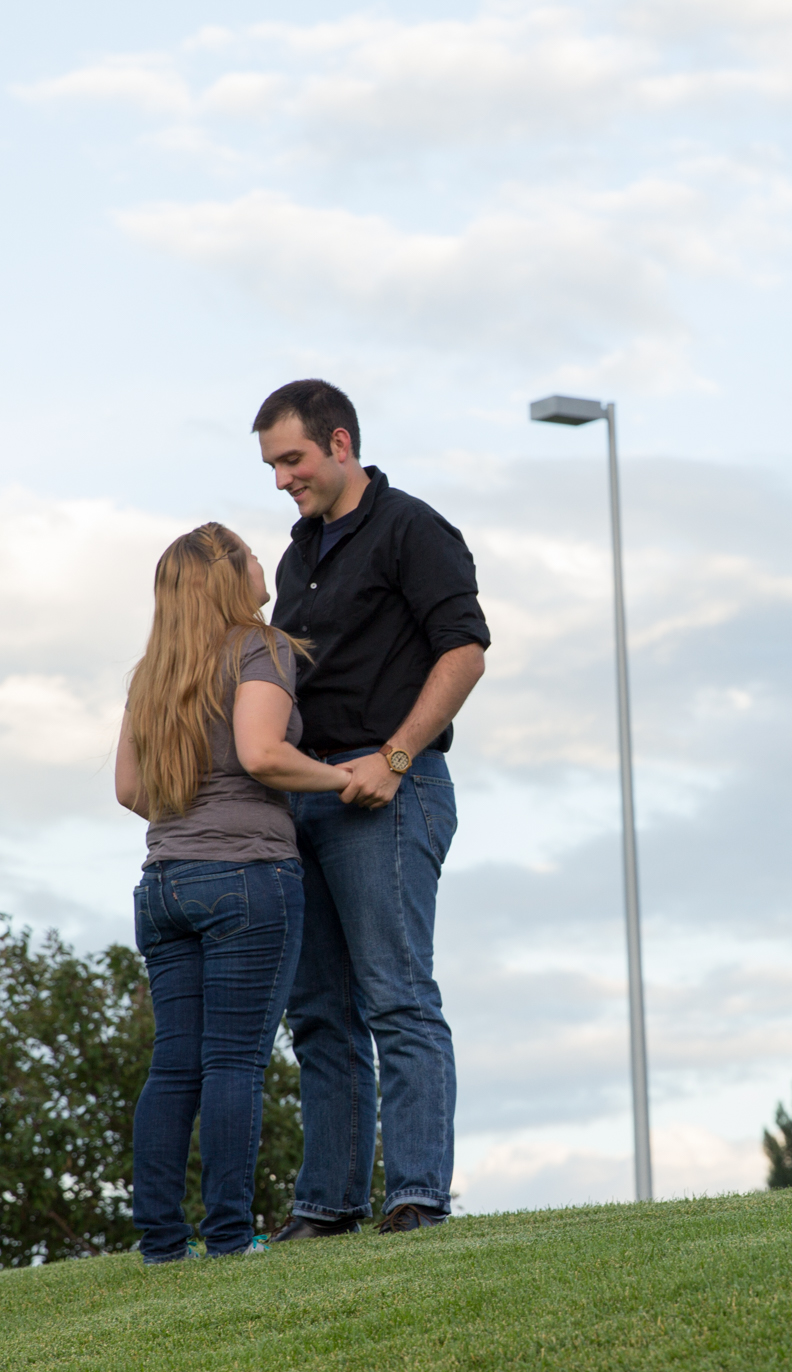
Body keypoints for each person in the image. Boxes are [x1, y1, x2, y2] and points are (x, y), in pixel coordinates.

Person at [256, 379, 489, 1237]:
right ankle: (328, 1207)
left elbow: (464, 653)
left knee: (396, 997)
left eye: (294, 459)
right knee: (319, 1011)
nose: (283, 479)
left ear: (341, 443)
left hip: (391, 793)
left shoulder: (412, 528)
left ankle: (419, 1197)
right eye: (273, 465)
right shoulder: (297, 555)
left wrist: (395, 758)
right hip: (308, 797)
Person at [115, 522, 352, 1262]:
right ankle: (225, 1237)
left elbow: (129, 790)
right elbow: (263, 753)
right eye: (250, 553)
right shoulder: (261, 646)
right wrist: (346, 777)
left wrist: (193, 813)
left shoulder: (152, 671)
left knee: (175, 1064)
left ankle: (160, 1241)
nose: (262, 561)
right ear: (230, 574)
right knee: (234, 1063)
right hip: (248, 876)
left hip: (164, 884)